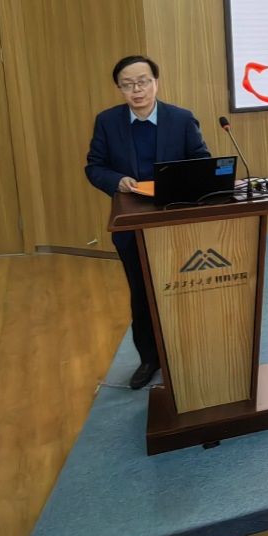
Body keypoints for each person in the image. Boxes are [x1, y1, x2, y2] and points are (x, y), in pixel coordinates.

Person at [85, 55, 210, 389]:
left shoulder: (181, 119)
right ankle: (149, 358)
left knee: (182, 289)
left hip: (175, 221)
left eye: (143, 82)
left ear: (156, 82)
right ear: (119, 88)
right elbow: (94, 167)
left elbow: (202, 162)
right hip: (132, 223)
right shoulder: (108, 122)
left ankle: (187, 354)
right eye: (128, 85)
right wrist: (117, 180)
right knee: (142, 293)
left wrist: (181, 180)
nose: (137, 90)